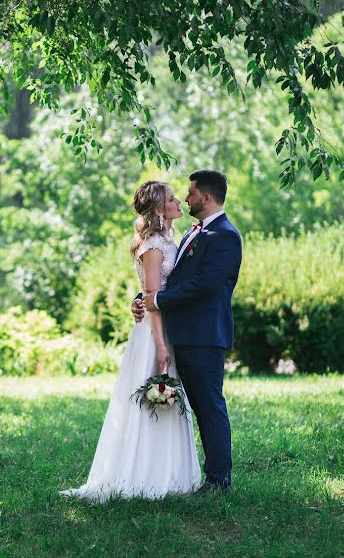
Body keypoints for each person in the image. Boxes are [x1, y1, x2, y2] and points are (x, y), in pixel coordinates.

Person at [61, 181, 201, 501]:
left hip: (166, 328)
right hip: (154, 334)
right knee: (152, 400)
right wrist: (161, 345)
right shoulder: (152, 246)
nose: (178, 200)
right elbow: (152, 297)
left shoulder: (168, 239)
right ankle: (144, 476)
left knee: (166, 401)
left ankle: (170, 474)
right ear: (157, 209)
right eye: (170, 198)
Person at [132, 170, 242, 492]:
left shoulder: (225, 235)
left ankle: (219, 480)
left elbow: (206, 285)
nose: (185, 197)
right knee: (187, 408)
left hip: (204, 336)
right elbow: (170, 279)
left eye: (191, 193)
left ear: (206, 197)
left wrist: (158, 300)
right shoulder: (191, 233)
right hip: (181, 334)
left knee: (209, 407)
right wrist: (144, 298)